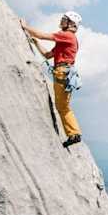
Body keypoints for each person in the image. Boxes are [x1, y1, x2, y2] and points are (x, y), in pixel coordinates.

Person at [22, 12, 84, 148]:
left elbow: (42, 35)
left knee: (62, 106)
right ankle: (73, 133)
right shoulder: (67, 40)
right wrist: (36, 43)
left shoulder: (67, 36)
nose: (61, 21)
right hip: (64, 73)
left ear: (71, 24)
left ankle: (74, 133)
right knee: (63, 106)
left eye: (64, 20)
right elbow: (48, 54)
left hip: (63, 73)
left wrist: (25, 27)